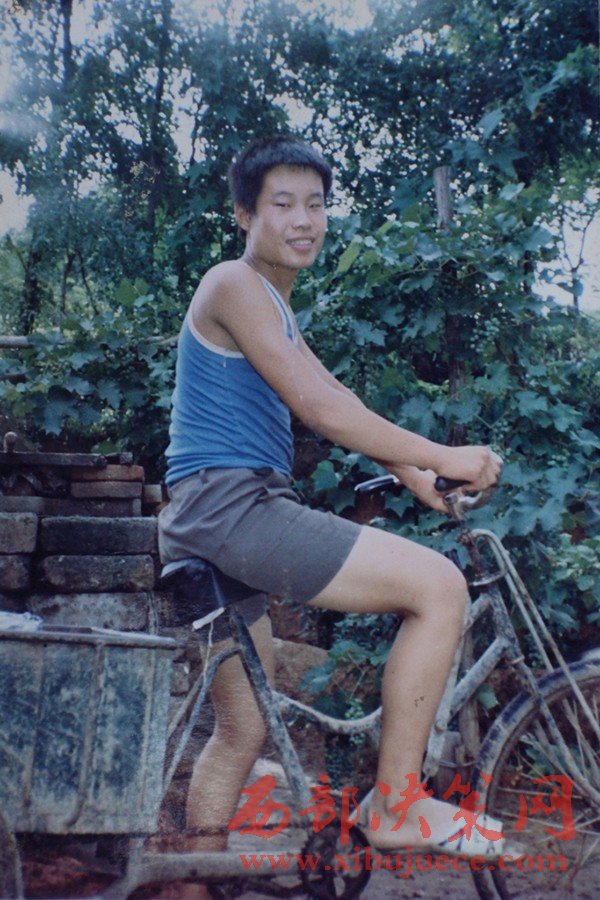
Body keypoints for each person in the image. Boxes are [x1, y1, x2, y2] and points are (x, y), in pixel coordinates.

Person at [158, 135, 503, 869]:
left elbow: (335, 396)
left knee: (241, 729)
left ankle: (186, 884)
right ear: (243, 214)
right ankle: (397, 804)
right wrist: (445, 456)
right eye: (282, 204)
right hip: (232, 507)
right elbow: (318, 409)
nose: (303, 220)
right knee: (440, 588)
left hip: (206, 519)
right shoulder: (232, 283)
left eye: (315, 205)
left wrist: (414, 474)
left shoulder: (274, 306)